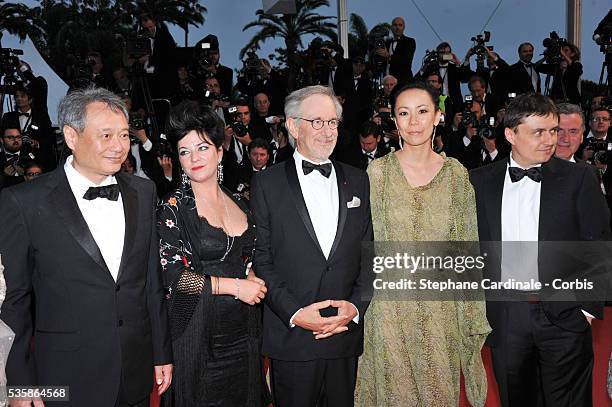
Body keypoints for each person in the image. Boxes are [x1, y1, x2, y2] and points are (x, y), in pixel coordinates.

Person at [0, 86, 173, 407]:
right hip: (65, 377)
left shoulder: (144, 192)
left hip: (133, 372)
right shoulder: (23, 202)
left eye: (124, 136)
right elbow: (15, 301)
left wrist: (161, 353)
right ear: (71, 136)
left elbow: (151, 283)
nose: (119, 147)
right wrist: (20, 382)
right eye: (106, 135)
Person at [470, 93, 611, 406]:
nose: (550, 140)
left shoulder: (579, 177)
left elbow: (598, 244)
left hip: (565, 314)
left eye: (553, 130)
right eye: (539, 132)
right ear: (510, 135)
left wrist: (586, 310)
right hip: (506, 316)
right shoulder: (478, 182)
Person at [355, 82, 490, 406]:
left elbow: (466, 249)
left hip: (441, 313)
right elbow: (362, 245)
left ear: (438, 117)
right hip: (387, 311)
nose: (413, 122)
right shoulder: (377, 173)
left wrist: (472, 317)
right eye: (404, 113)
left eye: (422, 111)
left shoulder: (456, 174)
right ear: (395, 121)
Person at [250, 85, 373, 407]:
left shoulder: (358, 179)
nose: (327, 131)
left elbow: (369, 254)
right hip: (292, 336)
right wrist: (295, 313)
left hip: (343, 332)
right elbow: (262, 258)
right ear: (293, 126)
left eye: (332, 122)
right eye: (317, 122)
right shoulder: (266, 183)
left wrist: (355, 307)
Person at [157, 100, 269, 406]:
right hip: (197, 339)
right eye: (184, 151)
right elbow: (175, 278)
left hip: (245, 336)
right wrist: (236, 286)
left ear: (220, 151)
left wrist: (252, 275)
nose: (194, 158)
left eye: (202, 147)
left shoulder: (240, 202)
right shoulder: (173, 208)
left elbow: (249, 256)